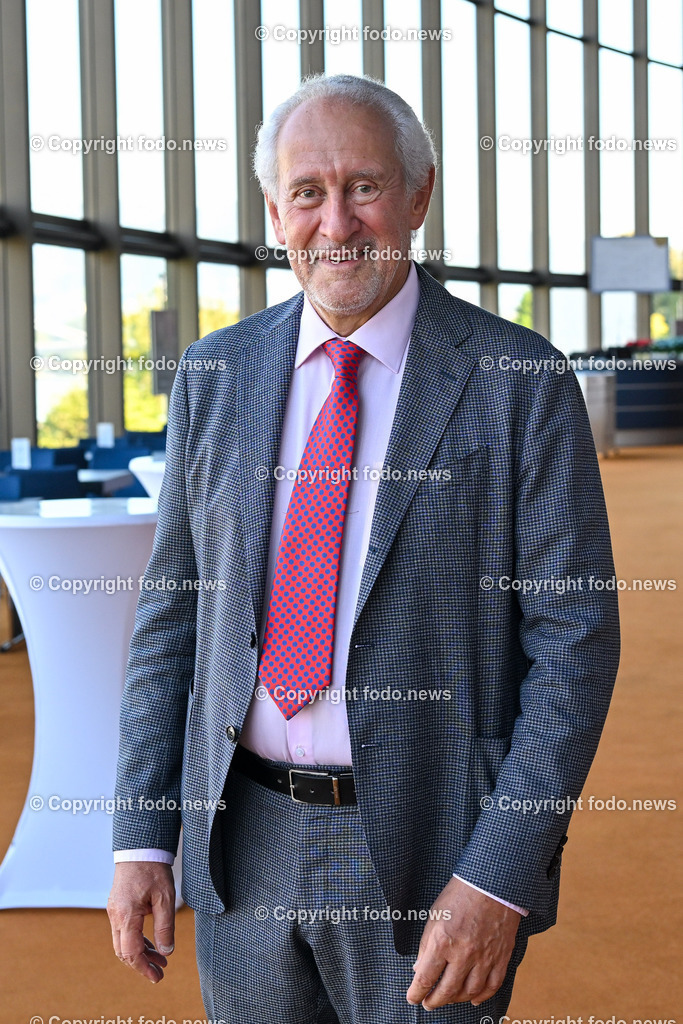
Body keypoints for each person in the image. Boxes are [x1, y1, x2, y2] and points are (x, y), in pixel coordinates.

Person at [108, 74, 620, 1022]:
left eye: (364, 187)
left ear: (419, 194)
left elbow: (574, 645)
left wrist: (497, 879)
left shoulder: (516, 383)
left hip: (428, 849)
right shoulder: (215, 376)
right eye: (307, 192)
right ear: (274, 210)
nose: (335, 222)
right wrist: (141, 836)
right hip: (241, 838)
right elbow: (171, 613)